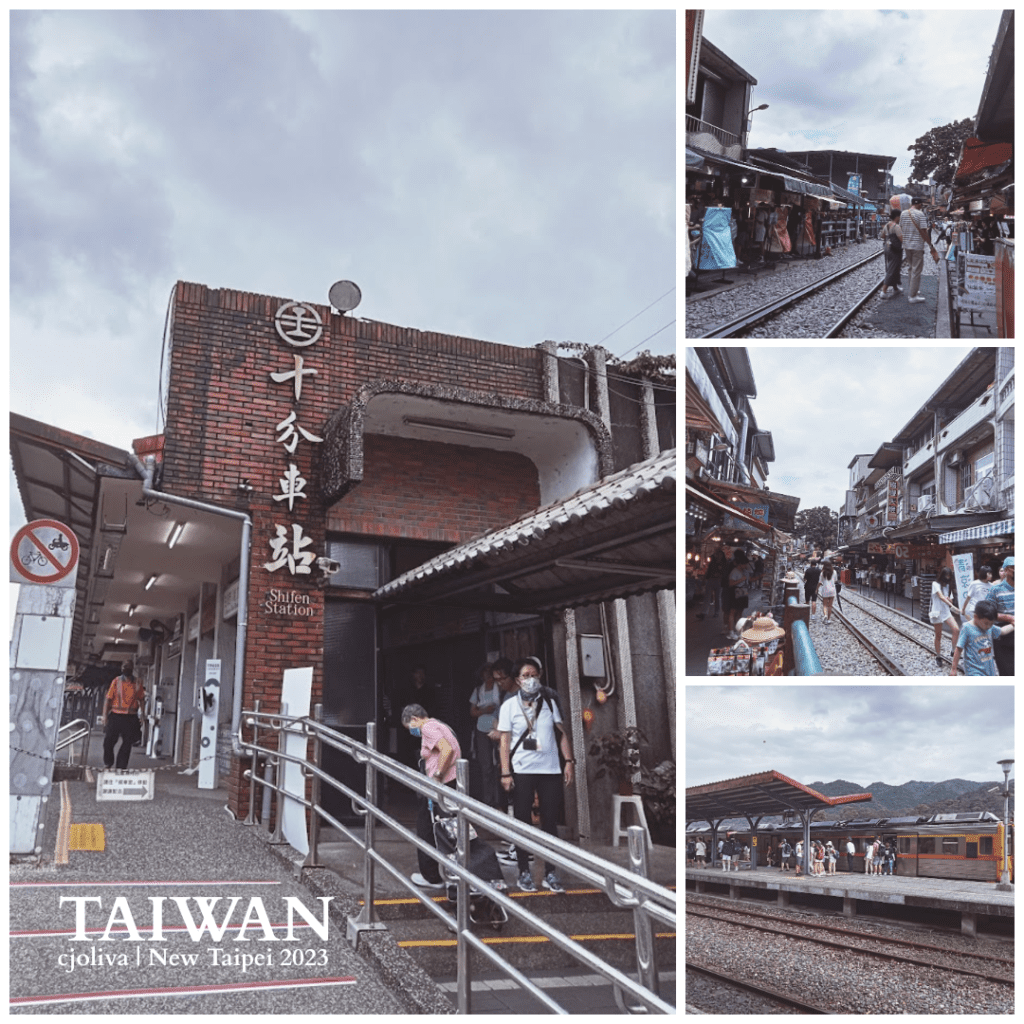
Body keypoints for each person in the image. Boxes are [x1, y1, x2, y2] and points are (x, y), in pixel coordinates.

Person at [498, 658, 574, 893]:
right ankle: (523, 872)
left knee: (550, 823)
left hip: (550, 770)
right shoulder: (509, 706)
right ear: (517, 680)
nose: (530, 679)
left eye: (533, 674)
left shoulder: (550, 701)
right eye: (525, 676)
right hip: (522, 770)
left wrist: (569, 762)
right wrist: (505, 773)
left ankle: (551, 873)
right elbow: (504, 741)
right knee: (522, 822)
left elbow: (561, 734)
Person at [401, 703, 461, 890]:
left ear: (414, 719)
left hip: (440, 787)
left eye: (409, 727)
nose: (411, 731)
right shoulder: (441, 725)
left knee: (426, 828)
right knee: (443, 830)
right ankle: (446, 873)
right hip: (450, 784)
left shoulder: (427, 727)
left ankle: (432, 877)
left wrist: (437, 777)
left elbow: (446, 749)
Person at [949, 598, 1015, 676]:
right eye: (986, 623)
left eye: (991, 624)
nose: (989, 626)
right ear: (976, 616)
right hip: (974, 670)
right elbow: (959, 649)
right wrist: (953, 668)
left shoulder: (989, 627)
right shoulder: (967, 628)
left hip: (989, 668)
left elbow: (1002, 631)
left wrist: (1014, 625)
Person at [468, 661, 503, 807]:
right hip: (482, 730)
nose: (487, 674)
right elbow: (472, 712)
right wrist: (484, 711)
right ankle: (488, 800)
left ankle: (501, 798)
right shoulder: (477, 690)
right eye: (485, 672)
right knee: (486, 766)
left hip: (499, 728)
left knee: (500, 764)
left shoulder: (500, 688)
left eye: (490, 672)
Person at [102, 660, 145, 770]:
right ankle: (108, 762)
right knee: (108, 742)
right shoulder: (116, 681)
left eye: (128, 666)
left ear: (132, 668)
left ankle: (121, 767)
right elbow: (108, 699)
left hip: (130, 717)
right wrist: (104, 716)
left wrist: (143, 715)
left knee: (127, 744)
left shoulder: (138, 683)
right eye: (124, 666)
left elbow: (141, 700)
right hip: (116, 716)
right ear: (121, 668)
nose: (126, 668)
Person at [900, 196, 938, 303]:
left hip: (907, 245)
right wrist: (930, 245)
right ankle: (912, 296)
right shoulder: (920, 214)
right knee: (916, 270)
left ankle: (913, 290)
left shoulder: (903, 213)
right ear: (919, 204)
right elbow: (924, 231)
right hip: (917, 246)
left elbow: (901, 227)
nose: (922, 206)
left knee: (911, 268)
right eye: (921, 204)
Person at [987, 556, 1015, 676]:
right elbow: (988, 612)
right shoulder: (995, 590)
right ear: (1007, 570)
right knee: (1007, 672)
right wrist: (1008, 618)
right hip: (1004, 636)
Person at [929, 567, 961, 666]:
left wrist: (950, 601)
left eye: (949, 576)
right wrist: (953, 606)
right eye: (946, 575)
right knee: (938, 635)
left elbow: (949, 599)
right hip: (937, 612)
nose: (948, 578)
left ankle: (952, 650)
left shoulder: (948, 586)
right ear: (942, 575)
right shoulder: (935, 584)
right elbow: (940, 596)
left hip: (946, 612)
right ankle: (938, 656)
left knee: (956, 629)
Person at [723, 551, 752, 640]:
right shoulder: (734, 571)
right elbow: (731, 583)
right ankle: (731, 632)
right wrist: (741, 580)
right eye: (746, 564)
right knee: (733, 612)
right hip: (736, 593)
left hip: (742, 593)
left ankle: (737, 630)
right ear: (741, 564)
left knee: (739, 612)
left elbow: (749, 579)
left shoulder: (744, 571)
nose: (747, 565)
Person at [698, 546, 729, 622]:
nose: (718, 556)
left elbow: (726, 573)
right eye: (717, 554)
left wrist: (720, 576)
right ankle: (703, 613)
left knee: (717, 598)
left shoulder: (725, 564)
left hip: (719, 582)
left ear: (722, 555)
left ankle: (716, 612)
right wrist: (704, 580)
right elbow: (708, 571)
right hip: (710, 580)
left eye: (720, 554)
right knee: (707, 597)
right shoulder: (712, 562)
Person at [879, 208, 903, 299]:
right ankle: (884, 291)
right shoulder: (896, 226)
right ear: (897, 217)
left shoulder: (887, 225)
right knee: (892, 268)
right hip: (895, 249)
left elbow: (882, 236)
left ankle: (895, 288)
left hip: (887, 248)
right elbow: (902, 239)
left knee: (894, 267)